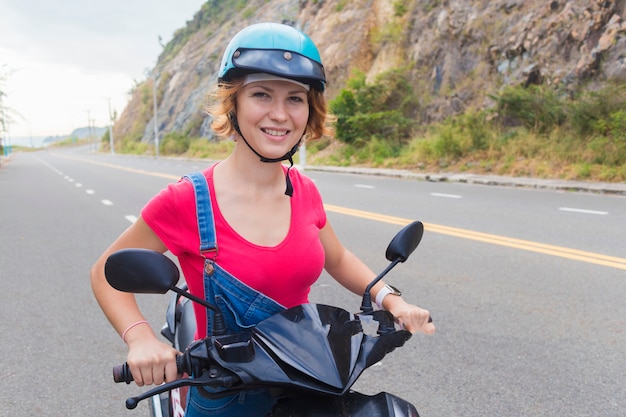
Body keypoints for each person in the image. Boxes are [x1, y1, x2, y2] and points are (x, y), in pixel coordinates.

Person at [90, 22, 435, 416]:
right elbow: (105, 272)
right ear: (233, 103)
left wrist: (391, 299)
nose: (280, 114)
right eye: (261, 94)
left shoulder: (303, 189)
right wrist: (141, 339)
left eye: (295, 98)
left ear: (310, 110)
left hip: (311, 382)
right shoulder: (187, 200)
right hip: (227, 394)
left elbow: (337, 259)